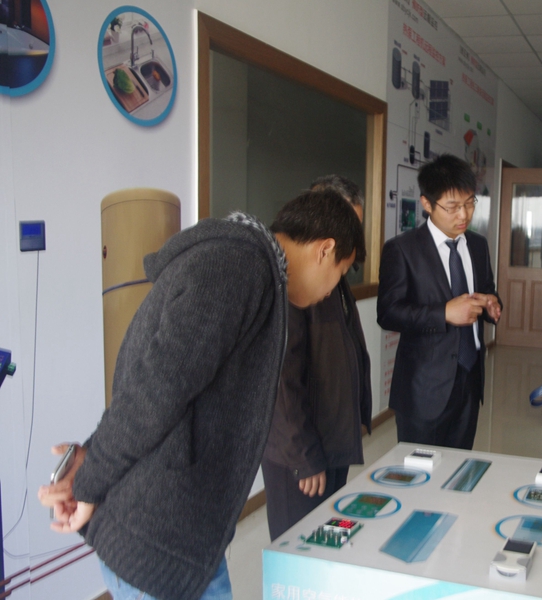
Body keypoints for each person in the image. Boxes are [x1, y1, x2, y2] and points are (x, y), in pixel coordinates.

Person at [37, 190, 365, 600]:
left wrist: (92, 463)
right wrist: (89, 482)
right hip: (160, 544)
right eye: (340, 273)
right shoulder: (239, 267)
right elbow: (155, 389)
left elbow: (162, 379)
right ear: (325, 250)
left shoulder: (251, 269)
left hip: (181, 539)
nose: (331, 291)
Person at [261, 175, 372, 542]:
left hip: (330, 437)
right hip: (300, 450)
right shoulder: (289, 282)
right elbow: (281, 381)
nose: (350, 237)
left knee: (326, 540)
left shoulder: (328, 270)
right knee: (298, 545)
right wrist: (304, 456)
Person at [377, 154, 501, 450]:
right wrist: (443, 313)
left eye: (469, 203)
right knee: (421, 469)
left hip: (470, 380)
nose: (464, 215)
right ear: (427, 204)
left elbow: (487, 290)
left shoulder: (478, 245)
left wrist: (492, 304)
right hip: (423, 387)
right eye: (453, 207)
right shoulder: (402, 250)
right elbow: (388, 312)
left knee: (460, 465)